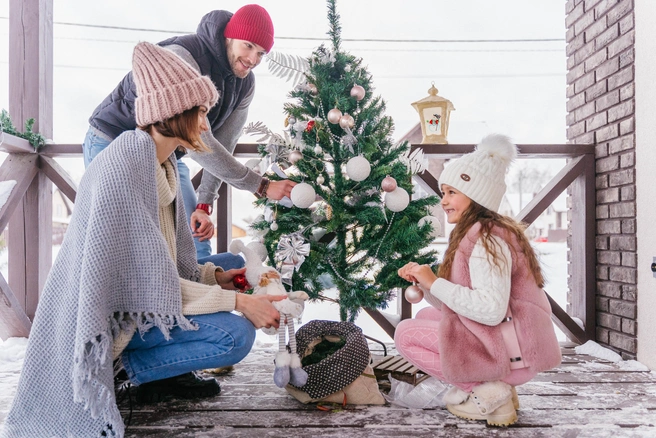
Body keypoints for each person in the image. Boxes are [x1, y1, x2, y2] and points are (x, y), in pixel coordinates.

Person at [2, 42, 285, 438]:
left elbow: (164, 267)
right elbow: (144, 289)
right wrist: (240, 302)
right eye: (201, 113)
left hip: (136, 303)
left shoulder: (163, 163)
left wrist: (220, 280)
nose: (206, 125)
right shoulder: (126, 167)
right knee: (235, 335)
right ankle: (120, 373)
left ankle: (158, 370)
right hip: (110, 321)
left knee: (222, 264)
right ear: (174, 113)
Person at [82, 4, 296, 267]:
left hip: (168, 152)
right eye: (248, 45)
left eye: (261, 53)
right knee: (125, 234)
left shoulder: (245, 84)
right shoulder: (183, 55)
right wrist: (261, 186)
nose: (253, 59)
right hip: (112, 139)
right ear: (230, 36)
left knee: (195, 237)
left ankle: (205, 297)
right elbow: (195, 136)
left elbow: (223, 143)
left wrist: (204, 204)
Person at [395, 134, 561, 427]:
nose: (443, 200)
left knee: (405, 334)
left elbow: (490, 309)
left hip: (509, 356)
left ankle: (488, 391)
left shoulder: (486, 241)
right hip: (509, 345)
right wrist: (425, 283)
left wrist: (435, 283)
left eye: (451, 192)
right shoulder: (483, 231)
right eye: (443, 192)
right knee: (427, 313)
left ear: (477, 196)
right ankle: (496, 388)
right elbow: (461, 300)